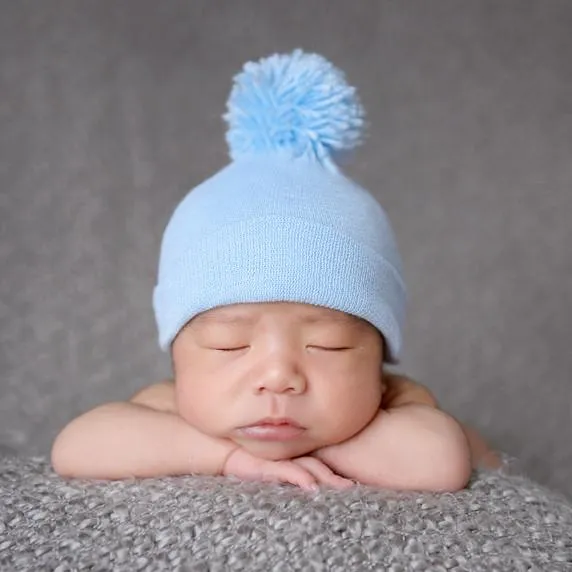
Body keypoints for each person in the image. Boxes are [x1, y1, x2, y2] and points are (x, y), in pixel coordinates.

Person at [51, 50, 499, 492]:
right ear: (178, 359)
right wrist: (228, 456)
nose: (278, 377)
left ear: (379, 359)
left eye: (329, 345)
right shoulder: (167, 404)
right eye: (229, 345)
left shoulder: (400, 401)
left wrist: (316, 441)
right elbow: (76, 447)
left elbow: (438, 464)